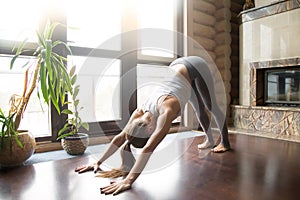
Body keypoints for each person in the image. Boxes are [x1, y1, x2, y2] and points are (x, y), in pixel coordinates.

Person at [75, 56, 231, 195]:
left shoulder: (167, 110)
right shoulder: (139, 112)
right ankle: (209, 140)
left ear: (150, 130)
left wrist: (129, 180)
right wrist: (98, 161)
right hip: (177, 69)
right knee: (198, 109)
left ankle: (225, 142)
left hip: (194, 65)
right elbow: (121, 137)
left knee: (211, 107)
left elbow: (148, 149)